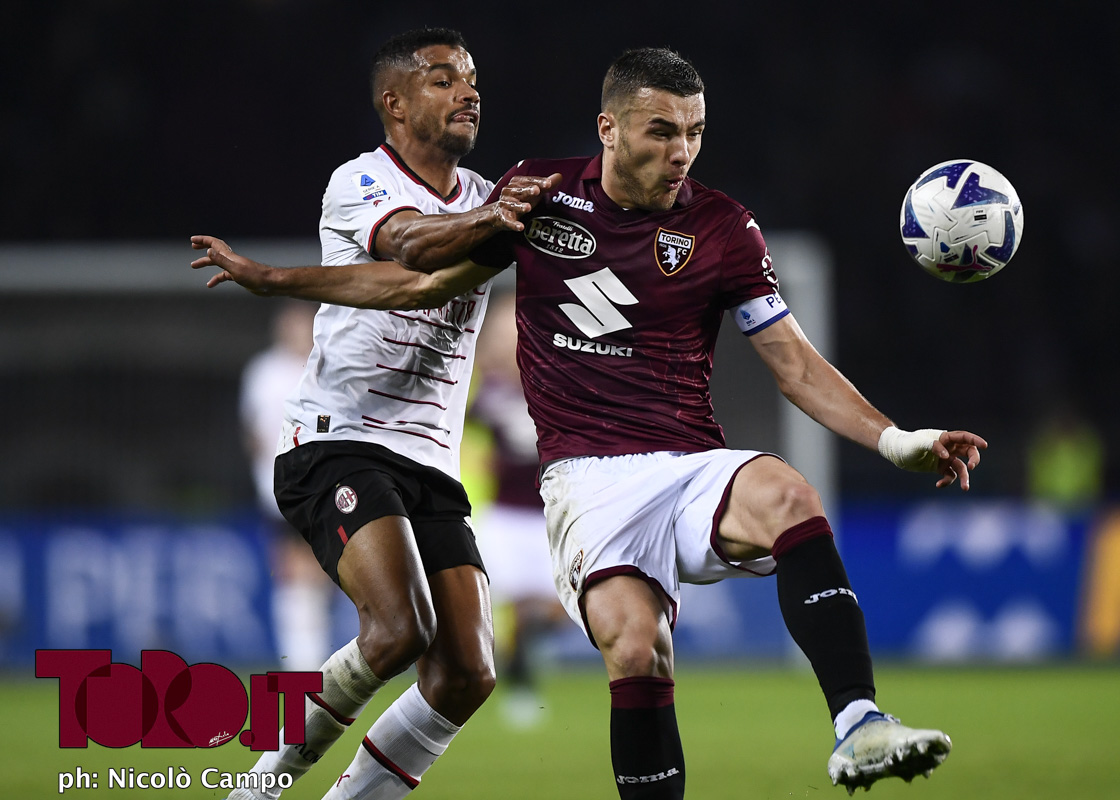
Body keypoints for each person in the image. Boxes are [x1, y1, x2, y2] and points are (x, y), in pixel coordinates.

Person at [194, 47, 985, 798]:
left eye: (696, 132)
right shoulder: (539, 196)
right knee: (637, 649)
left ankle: (858, 721)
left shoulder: (725, 228)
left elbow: (796, 364)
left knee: (786, 492)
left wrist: (895, 439)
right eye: (664, 130)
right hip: (587, 485)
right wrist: (277, 281)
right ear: (610, 129)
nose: (683, 151)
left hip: (685, 465)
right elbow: (416, 285)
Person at [191, 27, 557, 800]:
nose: (468, 92)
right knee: (397, 633)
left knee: (467, 674)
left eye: (473, 79)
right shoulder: (360, 181)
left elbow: (414, 291)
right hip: (340, 441)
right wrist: (495, 223)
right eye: (442, 79)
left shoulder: (489, 199)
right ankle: (254, 792)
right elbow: (413, 251)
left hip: (430, 461)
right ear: (393, 104)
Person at [468, 288, 568, 728]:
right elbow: (455, 437)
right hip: (503, 516)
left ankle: (516, 656)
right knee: (498, 606)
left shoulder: (558, 386)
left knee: (565, 611)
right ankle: (515, 680)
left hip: (552, 518)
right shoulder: (480, 393)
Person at [239, 299, 335, 671]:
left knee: (321, 574)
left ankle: (312, 657)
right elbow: (252, 430)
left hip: (325, 486)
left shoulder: (324, 367)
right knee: (293, 571)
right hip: (279, 488)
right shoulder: (264, 372)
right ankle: (303, 662)